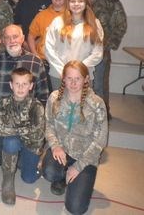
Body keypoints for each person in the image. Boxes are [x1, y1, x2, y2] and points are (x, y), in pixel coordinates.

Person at [42, 60, 108, 215]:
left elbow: (100, 140)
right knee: (49, 172)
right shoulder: (54, 98)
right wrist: (55, 146)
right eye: (69, 78)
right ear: (63, 78)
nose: (73, 83)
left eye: (77, 78)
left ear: (86, 79)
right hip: (61, 150)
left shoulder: (97, 103)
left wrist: (78, 167)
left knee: (76, 208)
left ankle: (75, 177)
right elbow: (49, 125)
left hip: (85, 158)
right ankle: (61, 177)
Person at [0, 24, 48, 167]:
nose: (12, 40)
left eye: (15, 37)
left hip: (26, 123)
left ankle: (20, 153)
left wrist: (40, 123)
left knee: (23, 167)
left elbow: (43, 95)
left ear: (22, 38)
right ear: (3, 41)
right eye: (7, 38)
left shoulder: (35, 62)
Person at [0, 68, 45, 205]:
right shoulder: (3, 103)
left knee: (29, 179)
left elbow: (39, 134)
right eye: (17, 84)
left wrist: (15, 128)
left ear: (31, 86)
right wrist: (27, 130)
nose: (21, 87)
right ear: (11, 85)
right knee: (10, 142)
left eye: (24, 84)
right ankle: (7, 181)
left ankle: (38, 161)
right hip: (15, 142)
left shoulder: (37, 106)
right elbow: (1, 130)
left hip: (32, 146)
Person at [84, 0, 127, 117]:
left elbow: (121, 24)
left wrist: (108, 46)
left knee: (99, 86)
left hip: (101, 52)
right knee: (81, 84)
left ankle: (102, 118)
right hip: (80, 51)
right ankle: (84, 116)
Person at [45, 0, 104, 90]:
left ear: (86, 3)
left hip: (83, 75)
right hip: (59, 74)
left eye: (80, 1)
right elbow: (48, 49)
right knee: (59, 104)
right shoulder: (57, 22)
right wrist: (64, 71)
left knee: (82, 105)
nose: (76, 4)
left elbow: (97, 53)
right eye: (73, 1)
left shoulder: (95, 23)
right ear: (68, 3)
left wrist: (78, 70)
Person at [28, 0, 70, 91]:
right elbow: (31, 35)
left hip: (65, 64)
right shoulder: (42, 15)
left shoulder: (72, 15)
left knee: (63, 96)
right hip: (45, 63)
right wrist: (35, 54)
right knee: (45, 96)